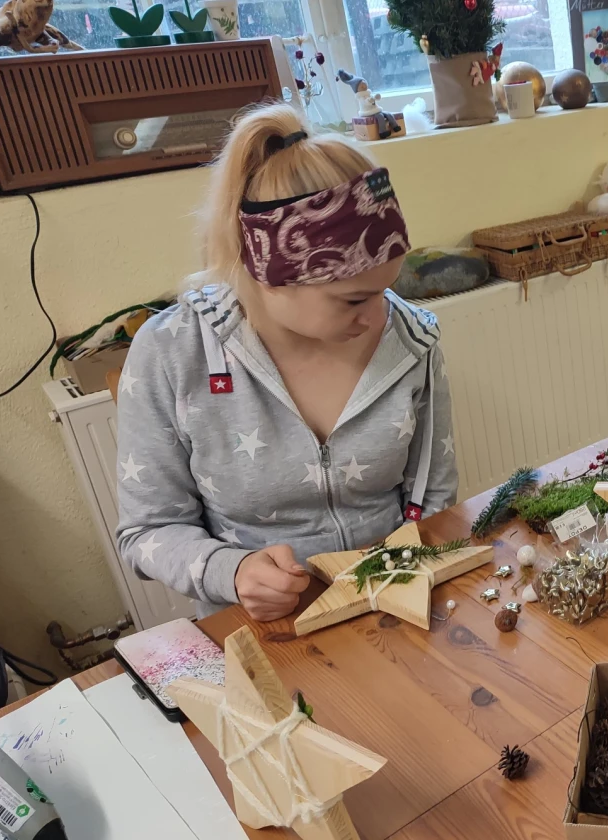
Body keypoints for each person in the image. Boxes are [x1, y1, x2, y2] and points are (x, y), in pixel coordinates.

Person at [115, 103, 457, 622]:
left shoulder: (410, 341)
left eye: (386, 289)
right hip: (261, 629)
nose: (378, 314)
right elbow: (145, 531)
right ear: (271, 274)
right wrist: (230, 570)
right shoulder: (172, 354)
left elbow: (434, 496)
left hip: (393, 608)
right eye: (351, 300)